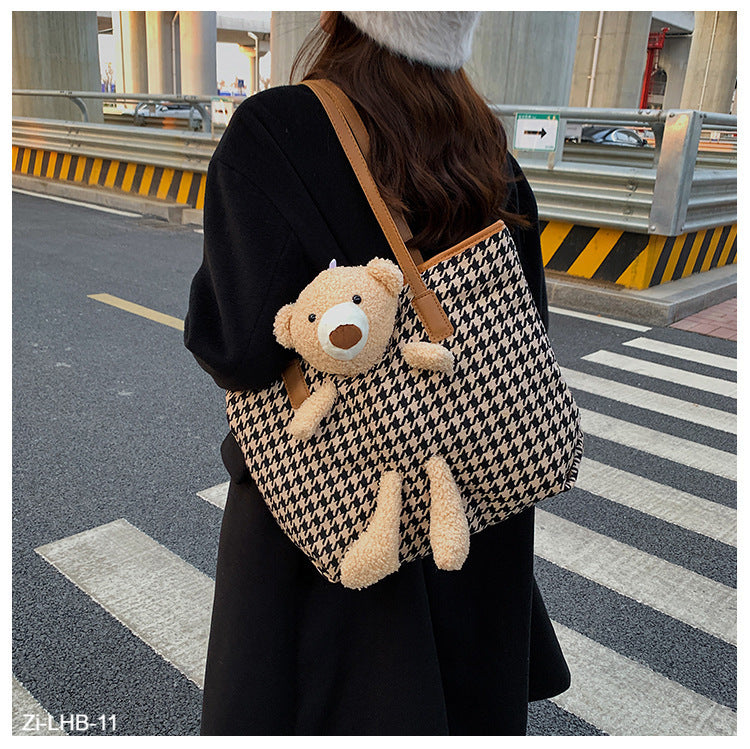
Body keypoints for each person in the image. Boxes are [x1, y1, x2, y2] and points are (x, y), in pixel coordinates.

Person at [184, 10, 570, 736]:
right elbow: (527, 328)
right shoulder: (483, 140)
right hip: (473, 503)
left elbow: (238, 348)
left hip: (334, 511)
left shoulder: (277, 130)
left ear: (339, 15)